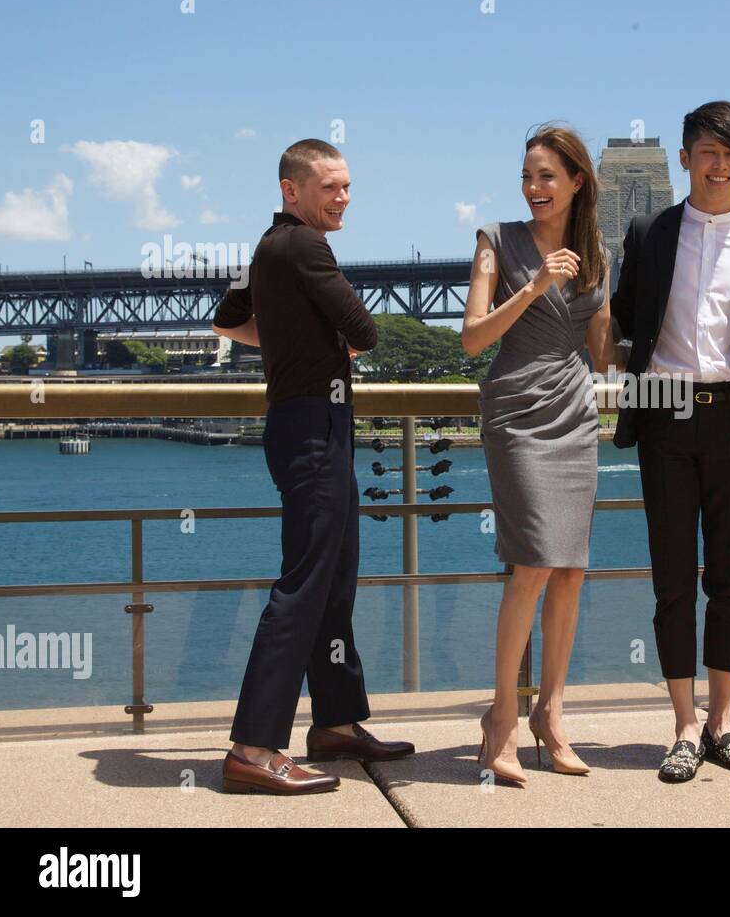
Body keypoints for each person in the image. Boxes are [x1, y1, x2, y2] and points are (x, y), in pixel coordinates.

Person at [212, 138, 414, 796]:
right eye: (330, 186)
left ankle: (335, 724)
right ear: (290, 190)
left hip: (304, 423)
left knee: (333, 586)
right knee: (304, 587)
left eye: (348, 186)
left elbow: (228, 322)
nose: (343, 197)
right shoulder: (303, 246)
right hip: (314, 431)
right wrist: (320, 344)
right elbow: (366, 331)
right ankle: (252, 747)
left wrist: (295, 342)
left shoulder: (264, 249)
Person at [610, 101, 730, 783]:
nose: (720, 165)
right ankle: (684, 728)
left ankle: (722, 723)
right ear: (685, 158)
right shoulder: (649, 232)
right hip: (663, 414)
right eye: (708, 151)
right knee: (670, 581)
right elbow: (627, 319)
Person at [461, 124, 621, 786]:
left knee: (571, 570)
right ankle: (500, 718)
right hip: (517, 412)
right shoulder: (495, 242)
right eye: (528, 176)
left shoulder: (599, 257)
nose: (533, 189)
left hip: (573, 411)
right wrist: (531, 288)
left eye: (547, 176)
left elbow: (606, 354)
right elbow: (472, 340)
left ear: (578, 181)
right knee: (531, 564)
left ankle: (551, 715)